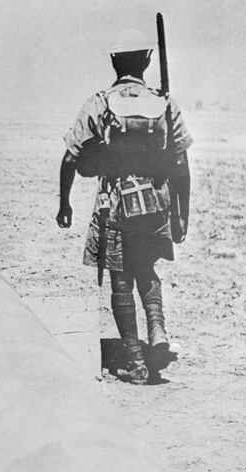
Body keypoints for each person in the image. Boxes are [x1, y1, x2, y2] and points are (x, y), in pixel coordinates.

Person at [57, 28, 193, 385]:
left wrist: (64, 203)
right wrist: (182, 216)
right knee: (145, 269)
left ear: (115, 61)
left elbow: (71, 159)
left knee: (120, 280)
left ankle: (135, 361)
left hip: (116, 204)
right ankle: (158, 330)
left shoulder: (100, 102)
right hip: (155, 203)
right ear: (147, 60)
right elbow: (181, 166)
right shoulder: (164, 102)